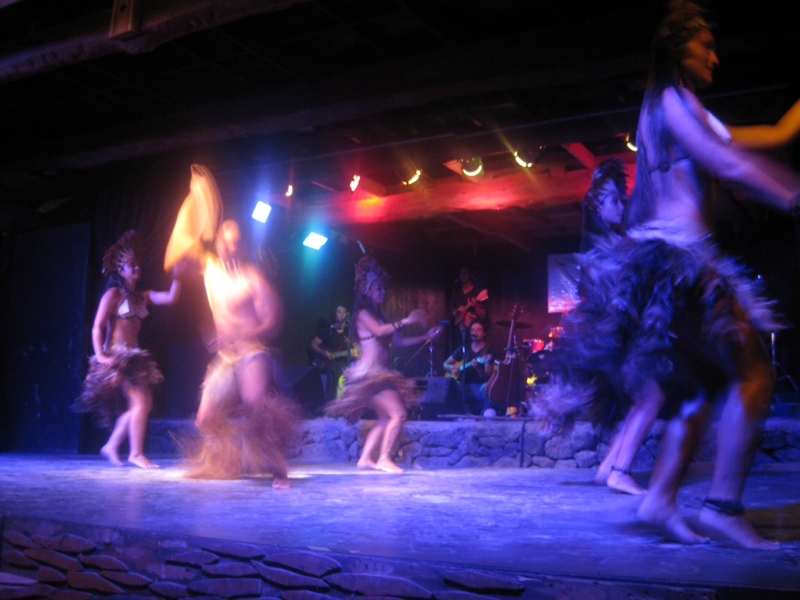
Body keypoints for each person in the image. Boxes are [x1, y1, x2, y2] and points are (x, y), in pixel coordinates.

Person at [534, 1, 800, 549]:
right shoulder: (672, 101)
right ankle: (721, 508)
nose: (716, 58)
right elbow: (722, 160)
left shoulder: (678, 107)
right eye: (707, 46)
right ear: (679, 48)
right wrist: (788, 193)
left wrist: (787, 126)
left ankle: (659, 499)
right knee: (753, 372)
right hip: (682, 259)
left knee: (699, 389)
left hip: (674, 260)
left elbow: (764, 137)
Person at [165, 165, 299, 488]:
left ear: (241, 245)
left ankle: (279, 470)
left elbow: (272, 321)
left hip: (252, 353)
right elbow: (175, 261)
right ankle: (235, 457)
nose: (229, 244)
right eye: (224, 239)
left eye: (235, 240)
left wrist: (245, 333)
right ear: (218, 242)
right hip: (226, 358)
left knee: (256, 408)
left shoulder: (253, 279)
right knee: (205, 420)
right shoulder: (210, 269)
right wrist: (195, 202)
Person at [324, 255, 444, 473]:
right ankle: (384, 458)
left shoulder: (379, 316)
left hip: (379, 374)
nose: (383, 291)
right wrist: (407, 320)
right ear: (367, 290)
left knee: (383, 418)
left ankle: (365, 458)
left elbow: (399, 341)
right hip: (370, 376)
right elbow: (380, 332)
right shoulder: (362, 314)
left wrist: (426, 336)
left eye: (383, 287)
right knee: (398, 414)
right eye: (378, 288)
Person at [75, 230, 182, 469]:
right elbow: (97, 326)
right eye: (131, 265)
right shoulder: (113, 294)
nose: (137, 268)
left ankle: (112, 445)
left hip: (135, 357)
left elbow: (171, 297)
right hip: (117, 357)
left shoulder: (142, 297)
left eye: (137, 264)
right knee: (142, 403)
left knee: (141, 404)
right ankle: (135, 453)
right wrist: (101, 355)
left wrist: (177, 275)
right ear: (121, 271)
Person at [444, 319, 495, 416]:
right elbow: (445, 364)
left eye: (478, 330)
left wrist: (479, 369)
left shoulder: (488, 352)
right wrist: (451, 368)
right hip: (464, 385)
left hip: (480, 385)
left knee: (487, 387)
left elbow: (488, 374)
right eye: (472, 330)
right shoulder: (464, 348)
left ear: (484, 333)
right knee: (452, 385)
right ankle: (459, 414)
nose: (475, 332)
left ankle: (486, 414)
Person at [308, 305, 355, 401]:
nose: (342, 314)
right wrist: (322, 352)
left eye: (344, 312)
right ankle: (332, 403)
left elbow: (355, 347)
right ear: (334, 315)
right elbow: (312, 345)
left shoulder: (349, 332)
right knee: (336, 375)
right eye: (339, 312)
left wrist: (354, 353)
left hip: (345, 363)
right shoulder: (328, 331)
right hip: (331, 364)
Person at [451, 266, 489, 330]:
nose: (463, 275)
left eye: (465, 273)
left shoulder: (478, 292)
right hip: (459, 330)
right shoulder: (456, 292)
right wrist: (455, 313)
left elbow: (483, 316)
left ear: (471, 275)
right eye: (461, 273)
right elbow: (453, 312)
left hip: (474, 330)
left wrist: (475, 306)